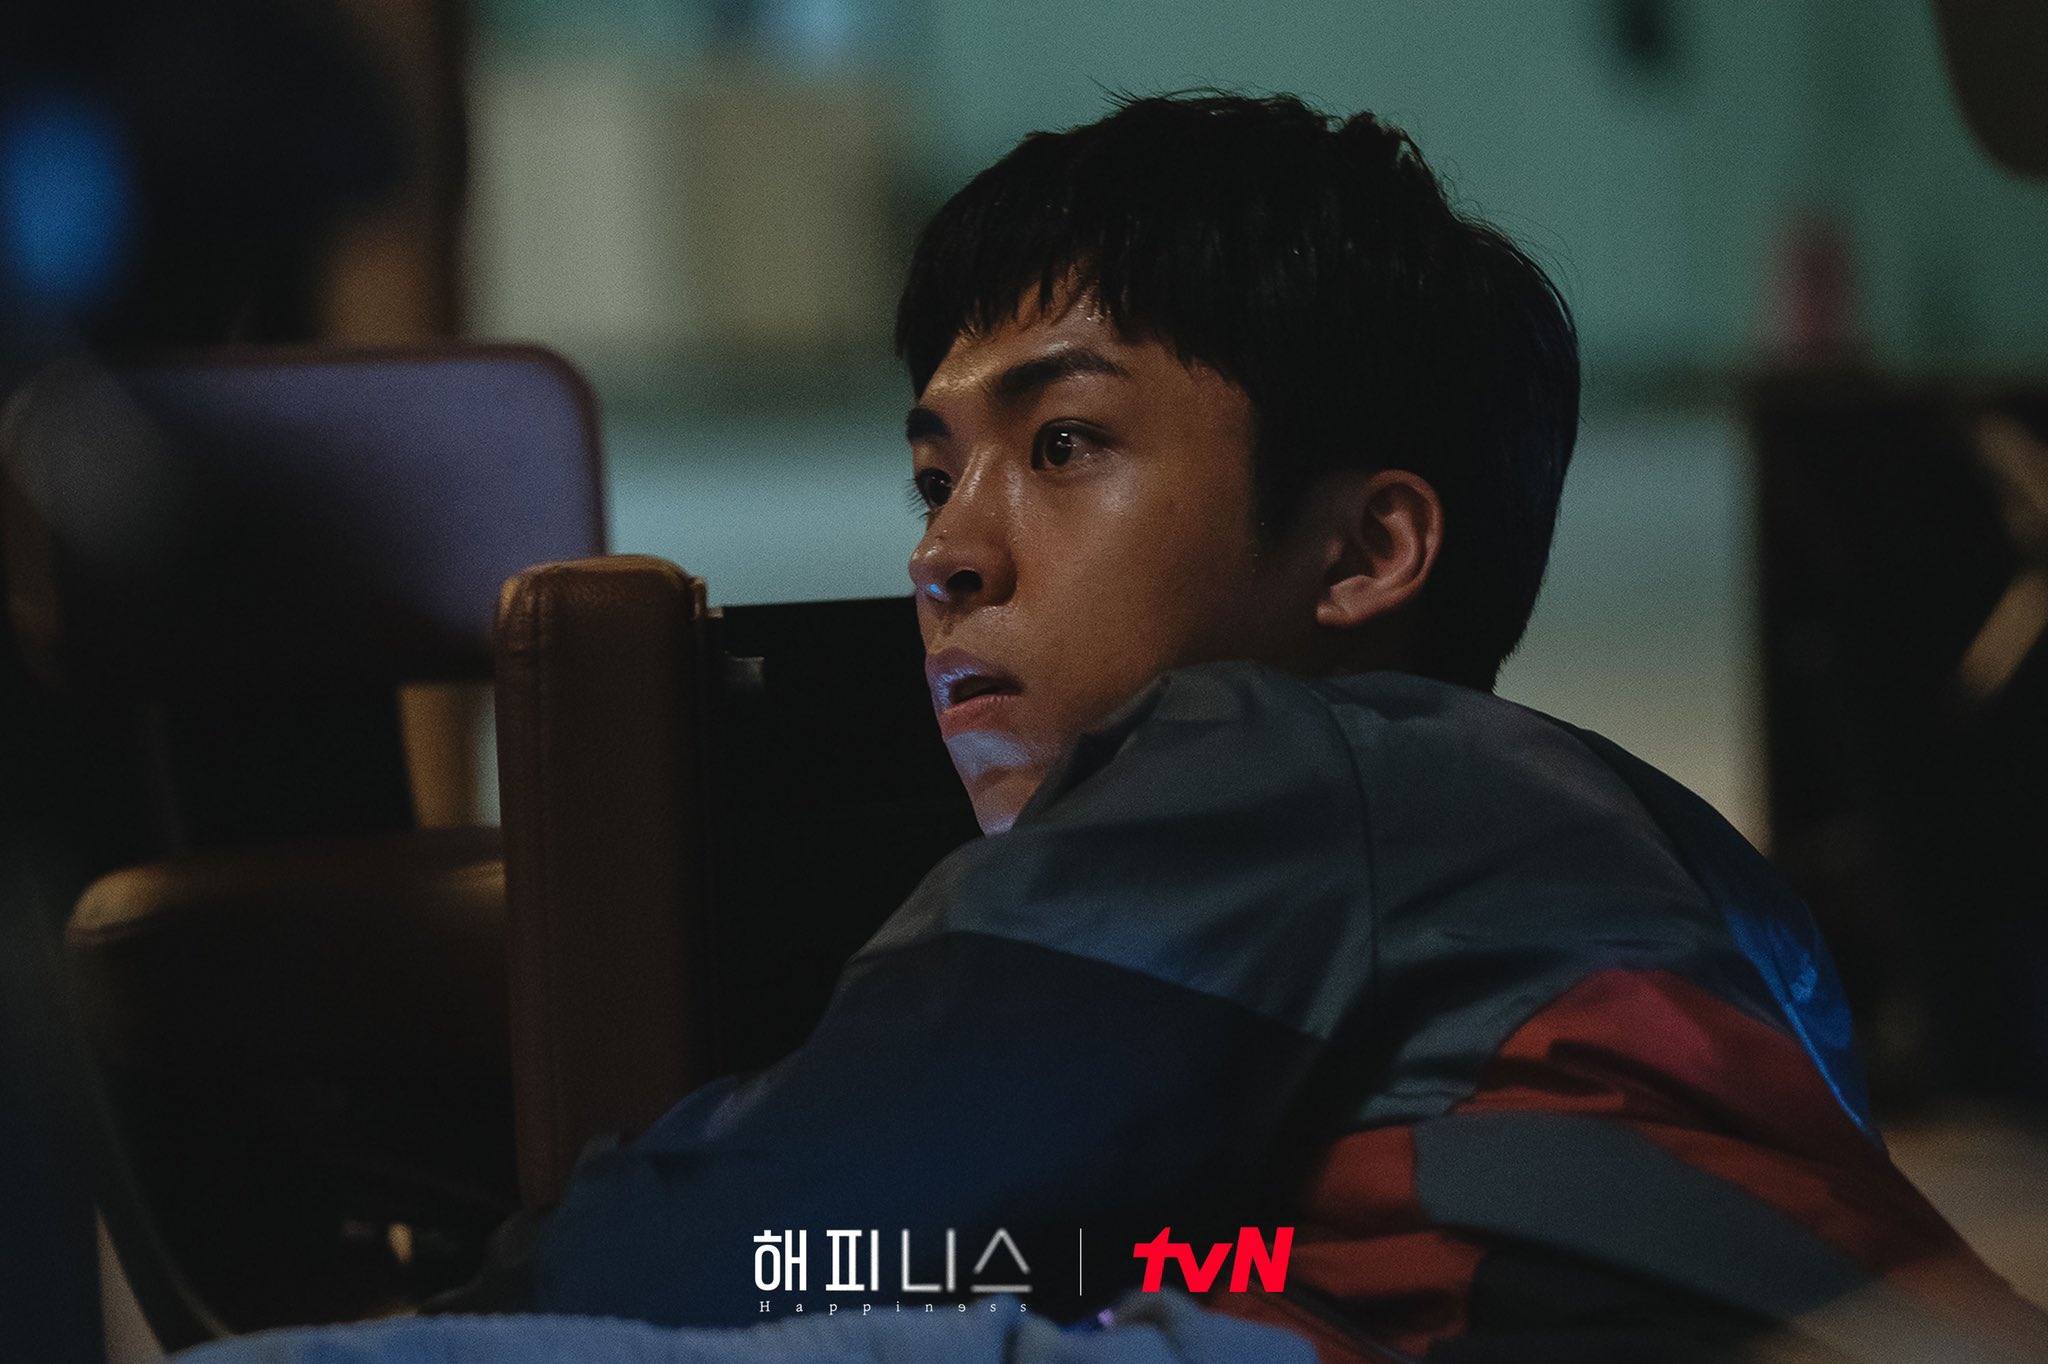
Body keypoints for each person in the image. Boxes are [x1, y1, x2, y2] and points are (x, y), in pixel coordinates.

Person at [184, 93, 2047, 1363]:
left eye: (1064, 443)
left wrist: (506, 1290)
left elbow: (783, 1231)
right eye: (935, 473)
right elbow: (1160, 1247)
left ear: (1365, 550)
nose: (945, 552)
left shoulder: (1270, 761)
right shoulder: (1666, 876)